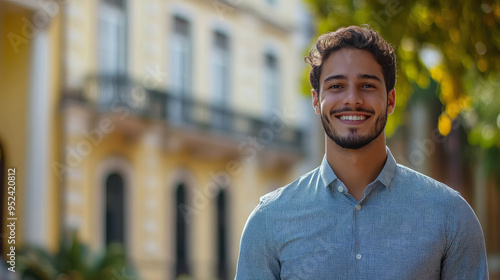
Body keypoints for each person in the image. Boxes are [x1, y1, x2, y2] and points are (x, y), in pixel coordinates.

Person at [235, 25, 488, 279]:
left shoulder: (451, 216)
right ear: (315, 100)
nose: (352, 99)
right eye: (336, 86)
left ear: (390, 100)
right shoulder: (268, 222)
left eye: (367, 85)